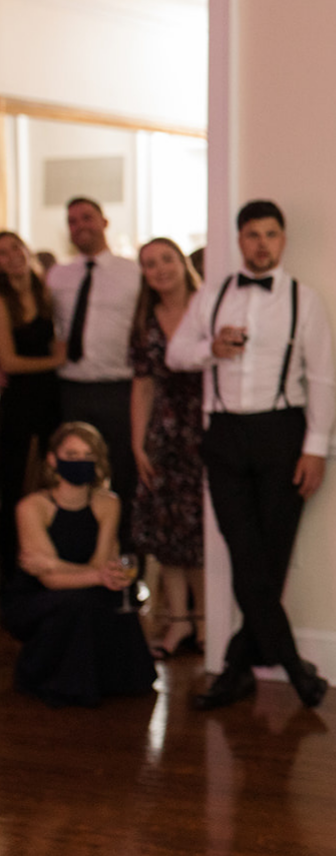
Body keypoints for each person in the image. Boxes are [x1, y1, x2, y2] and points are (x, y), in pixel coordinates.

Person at [167, 200, 336, 710]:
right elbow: (176, 354)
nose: (261, 243)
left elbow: (323, 378)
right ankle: (292, 666)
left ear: (282, 240)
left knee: (271, 557)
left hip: (282, 433)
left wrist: (316, 447)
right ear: (239, 240)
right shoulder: (212, 295)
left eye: (270, 234)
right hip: (223, 435)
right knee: (245, 553)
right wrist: (209, 350)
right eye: (252, 235)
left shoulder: (305, 300)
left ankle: (236, 670)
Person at [2, 421, 156, 706]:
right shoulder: (32, 507)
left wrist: (52, 563)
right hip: (35, 597)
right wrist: (96, 575)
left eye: (88, 455)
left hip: (87, 590)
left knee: (96, 598)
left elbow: (96, 564)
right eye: (71, 455)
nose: (80, 462)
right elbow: (50, 581)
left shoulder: (108, 503)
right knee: (82, 600)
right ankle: (53, 679)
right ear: (52, 459)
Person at [46, 198, 141, 553]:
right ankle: (82, 554)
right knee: (75, 474)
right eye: (72, 221)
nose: (79, 225)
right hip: (72, 388)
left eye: (86, 217)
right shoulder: (58, 276)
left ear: (104, 221)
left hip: (120, 388)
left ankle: (125, 558)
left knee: (123, 474)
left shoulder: (131, 272)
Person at [129, 237, 205, 659]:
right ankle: (176, 625)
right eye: (150, 264)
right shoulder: (144, 319)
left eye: (166, 259)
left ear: (181, 262)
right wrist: (138, 444)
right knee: (169, 533)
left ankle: (207, 626)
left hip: (204, 433)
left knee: (200, 535)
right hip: (163, 435)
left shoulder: (207, 307)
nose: (160, 269)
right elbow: (142, 386)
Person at [0, 232, 65, 586]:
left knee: (52, 479)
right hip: (20, 401)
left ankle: (51, 561)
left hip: (52, 398)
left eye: (15, 249)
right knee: (14, 485)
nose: (11, 257)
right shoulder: (2, 301)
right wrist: (55, 361)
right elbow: (8, 361)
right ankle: (14, 570)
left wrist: (58, 361)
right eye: (2, 254)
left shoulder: (46, 294)